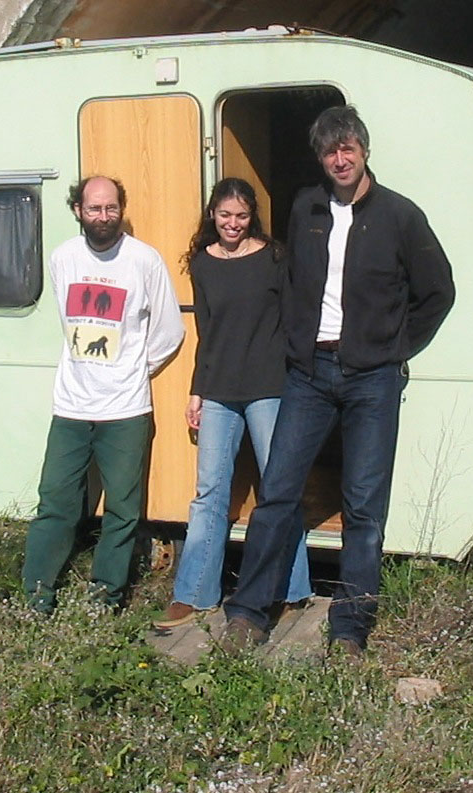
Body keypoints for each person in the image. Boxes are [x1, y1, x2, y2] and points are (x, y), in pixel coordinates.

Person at [221, 105, 455, 654]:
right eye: (330, 151)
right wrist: (294, 343)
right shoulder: (306, 207)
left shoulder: (400, 215)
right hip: (310, 374)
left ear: (364, 150)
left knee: (364, 504)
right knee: (278, 493)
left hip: (372, 379)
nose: (340, 158)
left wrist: (393, 349)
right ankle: (249, 614)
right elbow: (292, 279)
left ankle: (349, 629)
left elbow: (437, 292)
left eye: (348, 147)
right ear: (322, 159)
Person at [153, 178, 312, 630]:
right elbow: (206, 332)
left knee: (278, 490)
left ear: (252, 217)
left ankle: (293, 587)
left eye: (241, 216)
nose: (232, 224)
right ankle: (194, 593)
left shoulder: (275, 258)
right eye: (225, 215)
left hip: (270, 389)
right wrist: (196, 390)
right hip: (219, 392)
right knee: (209, 494)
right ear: (212, 215)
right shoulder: (202, 264)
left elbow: (295, 320)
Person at [23, 175, 184, 613]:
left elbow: (170, 331)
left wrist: (131, 369)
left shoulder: (144, 260)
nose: (103, 217)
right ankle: (35, 599)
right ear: (78, 210)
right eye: (94, 208)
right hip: (71, 406)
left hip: (127, 409)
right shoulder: (63, 258)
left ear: (121, 209)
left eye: (111, 208)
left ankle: (104, 599)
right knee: (55, 503)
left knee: (123, 511)